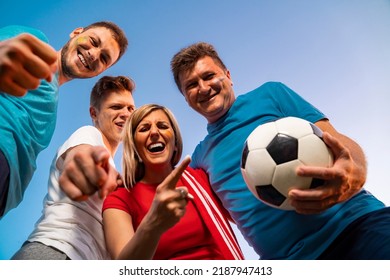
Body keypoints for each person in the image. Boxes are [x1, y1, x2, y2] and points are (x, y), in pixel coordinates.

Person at [169, 42, 390, 260]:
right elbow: (228, 215)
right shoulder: (198, 159)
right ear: (186, 99)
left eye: (209, 76)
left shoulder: (271, 95)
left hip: (357, 226)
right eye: (191, 85)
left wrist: (356, 171)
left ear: (228, 75)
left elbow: (335, 139)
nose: (204, 88)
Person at [0, 22, 128, 218]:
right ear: (76, 33)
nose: (93, 55)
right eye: (93, 41)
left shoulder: (52, 108)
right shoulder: (34, 43)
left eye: (103, 58)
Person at [11, 75, 136, 260]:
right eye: (116, 107)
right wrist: (83, 168)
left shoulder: (114, 167)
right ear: (94, 113)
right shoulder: (89, 134)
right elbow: (80, 156)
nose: (126, 113)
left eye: (130, 108)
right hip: (55, 253)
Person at [102, 104, 244, 260]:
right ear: (134, 146)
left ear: (176, 143)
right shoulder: (119, 200)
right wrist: (153, 224)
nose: (154, 132)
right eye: (144, 129)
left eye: (162, 126)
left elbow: (247, 214)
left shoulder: (203, 179)